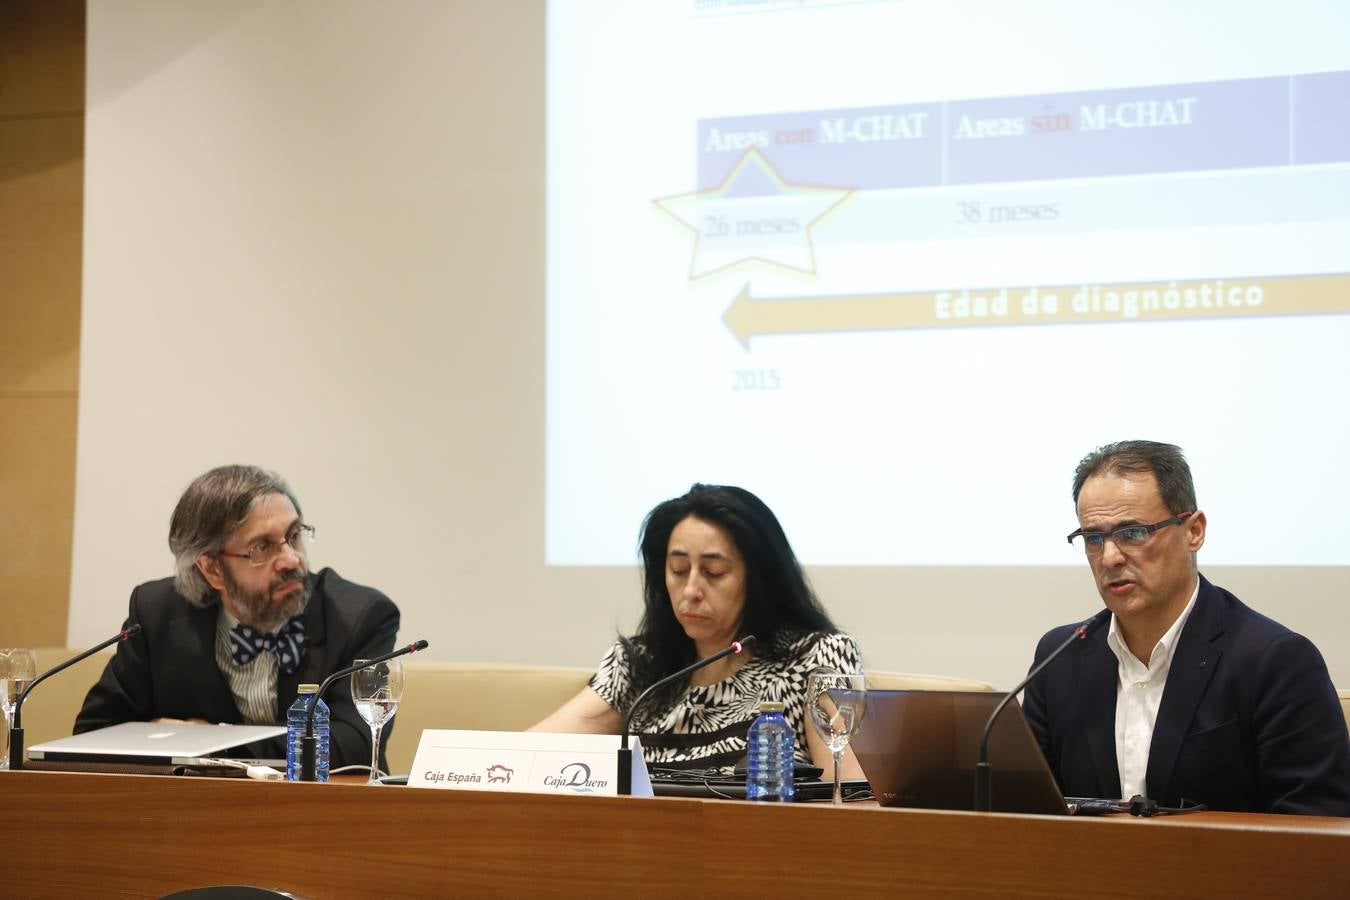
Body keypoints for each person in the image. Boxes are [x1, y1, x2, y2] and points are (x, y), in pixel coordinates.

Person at [1023, 440, 1350, 815]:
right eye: (1094, 538)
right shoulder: (1060, 658)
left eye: (1133, 533)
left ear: (1193, 531)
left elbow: (1318, 827)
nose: (1110, 557)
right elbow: (1025, 810)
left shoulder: (1274, 661)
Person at [76, 465, 401, 771]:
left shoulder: (360, 616)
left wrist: (209, 743)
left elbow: (357, 743)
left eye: (293, 535)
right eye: (261, 548)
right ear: (212, 569)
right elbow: (93, 733)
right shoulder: (156, 613)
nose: (291, 559)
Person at [531, 483, 865, 780]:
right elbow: (527, 753)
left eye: (714, 571)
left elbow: (852, 795)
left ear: (759, 579)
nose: (690, 589)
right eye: (678, 570)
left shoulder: (815, 659)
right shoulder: (639, 665)